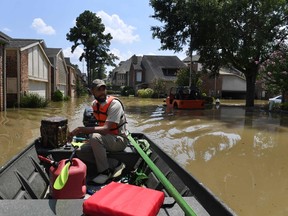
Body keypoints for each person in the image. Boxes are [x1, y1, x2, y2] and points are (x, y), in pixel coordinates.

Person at [68, 79, 128, 184]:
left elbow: (105, 129)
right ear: (92, 91)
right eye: (98, 89)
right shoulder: (94, 104)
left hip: (119, 140)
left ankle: (105, 172)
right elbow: (99, 127)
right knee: (79, 151)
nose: (102, 92)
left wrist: (80, 129)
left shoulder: (115, 105)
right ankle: (114, 164)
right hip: (107, 139)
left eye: (103, 89)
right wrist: (90, 140)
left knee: (95, 137)